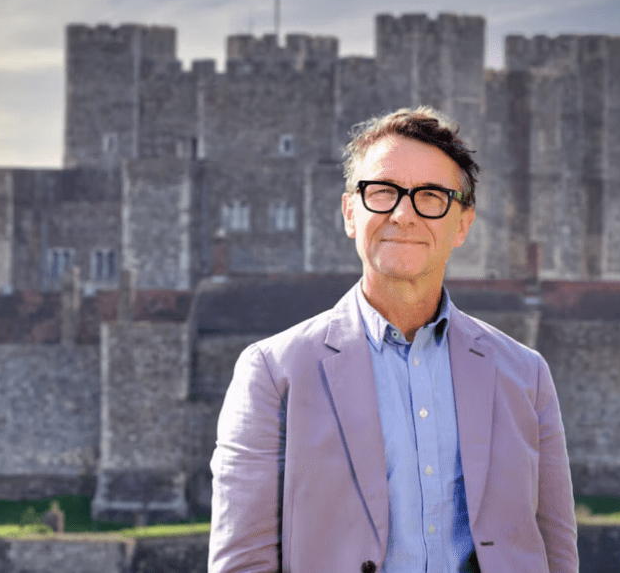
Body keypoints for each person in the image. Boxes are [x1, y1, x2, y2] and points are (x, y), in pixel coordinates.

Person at [209, 107, 577, 573]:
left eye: (431, 196)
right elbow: (242, 562)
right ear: (349, 212)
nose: (403, 215)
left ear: (462, 224)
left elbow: (556, 553)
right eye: (382, 192)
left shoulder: (526, 374)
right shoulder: (272, 371)